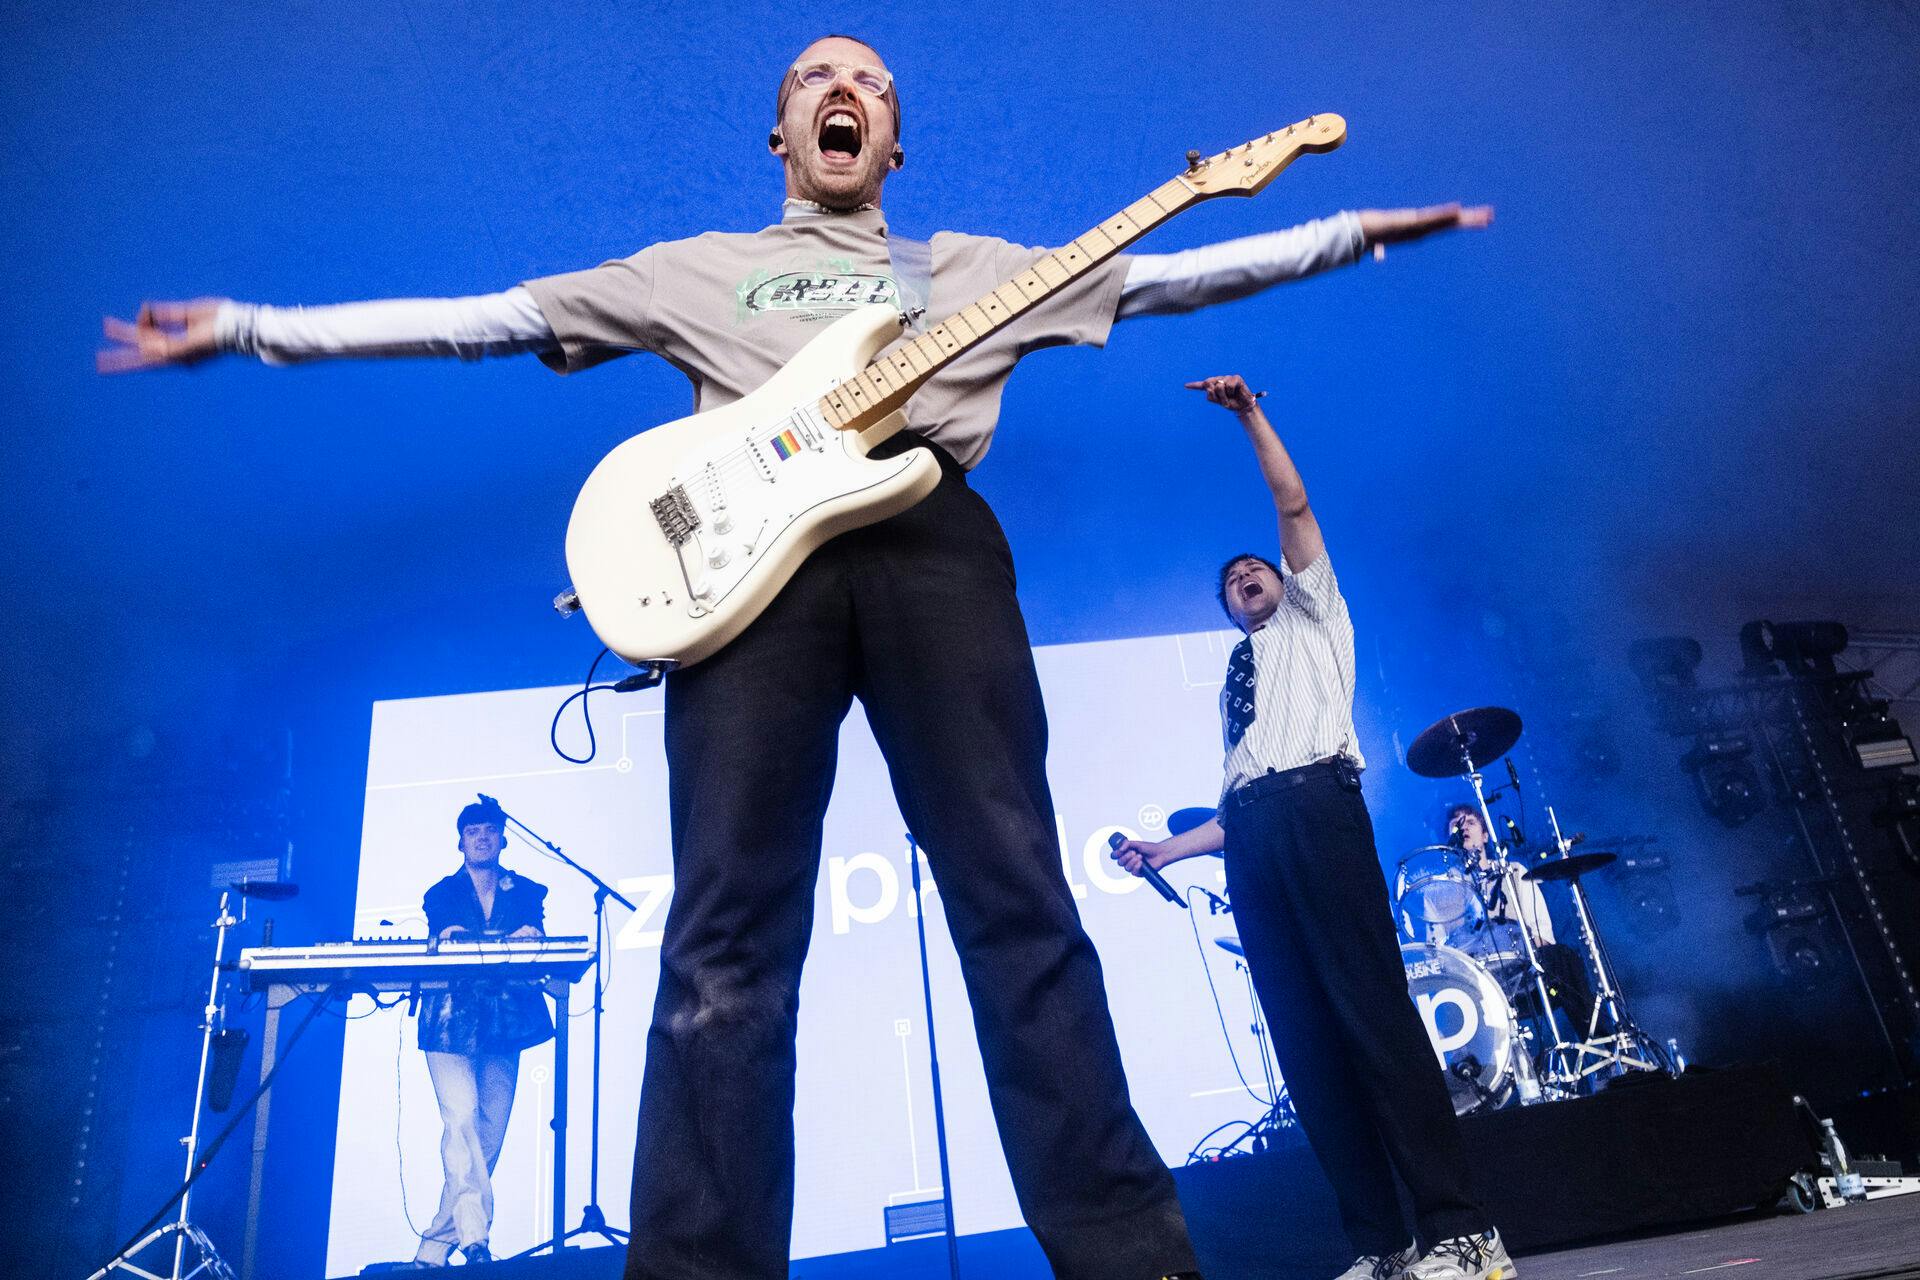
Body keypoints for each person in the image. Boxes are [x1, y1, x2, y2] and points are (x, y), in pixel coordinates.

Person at [101, 35, 1491, 1280]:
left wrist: (1352, 231)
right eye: (818, 79)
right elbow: (495, 317)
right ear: (782, 136)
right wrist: (254, 330)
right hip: (745, 572)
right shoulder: (693, 269)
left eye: (876, 86)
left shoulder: (969, 271)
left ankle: (1136, 1264)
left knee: (1019, 903)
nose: (848, 91)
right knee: (723, 941)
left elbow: (1178, 277)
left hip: (931, 534)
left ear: (895, 143)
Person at [1112, 375, 1515, 1280]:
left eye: (1251, 568)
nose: (1242, 578)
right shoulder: (1237, 677)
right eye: (1228, 582)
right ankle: (1384, 1248)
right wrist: (1164, 850)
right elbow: (1236, 795)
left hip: (1320, 815)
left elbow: (1291, 503)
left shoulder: (1313, 616)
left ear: (1281, 580)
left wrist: (1251, 415)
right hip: (1254, 839)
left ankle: (1466, 1234)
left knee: (1374, 1024)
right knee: (1307, 1050)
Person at [407, 799, 552, 1268]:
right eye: (473, 831)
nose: (482, 837)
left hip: (504, 1024)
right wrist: (456, 934)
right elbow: (446, 932)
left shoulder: (526, 889)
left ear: (502, 837)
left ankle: (432, 1248)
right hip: (450, 1023)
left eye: (490, 830)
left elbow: (537, 938)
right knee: (462, 1119)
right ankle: (474, 1240)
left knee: (488, 1133)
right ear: (462, 841)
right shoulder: (442, 892)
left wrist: (531, 935)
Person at [1443, 803, 1594, 1032]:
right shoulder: (1444, 888)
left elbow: (1541, 929)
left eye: (1471, 822)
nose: (1464, 827)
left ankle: (1599, 1043)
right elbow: (1440, 951)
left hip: (1522, 974)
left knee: (1564, 958)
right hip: (1475, 983)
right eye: (1457, 824)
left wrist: (1538, 947)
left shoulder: (1513, 871)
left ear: (1485, 836)